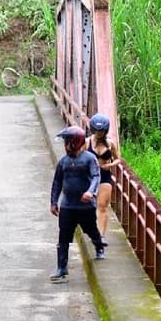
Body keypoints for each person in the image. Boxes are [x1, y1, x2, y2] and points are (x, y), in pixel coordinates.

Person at [49, 126, 106, 282]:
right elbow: (57, 182)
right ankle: (62, 267)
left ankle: (99, 245)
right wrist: (53, 202)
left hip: (85, 206)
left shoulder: (89, 159)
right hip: (68, 205)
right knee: (63, 236)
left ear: (74, 142)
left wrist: (90, 192)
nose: (65, 145)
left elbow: (96, 176)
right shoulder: (63, 162)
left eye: (67, 142)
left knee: (91, 230)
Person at [88, 113, 120, 245]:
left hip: (105, 176)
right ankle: (93, 231)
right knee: (89, 208)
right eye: (96, 130)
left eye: (101, 131)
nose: (98, 133)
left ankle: (101, 236)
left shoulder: (110, 144)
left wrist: (109, 165)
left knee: (102, 206)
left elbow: (118, 159)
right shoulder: (87, 142)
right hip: (89, 176)